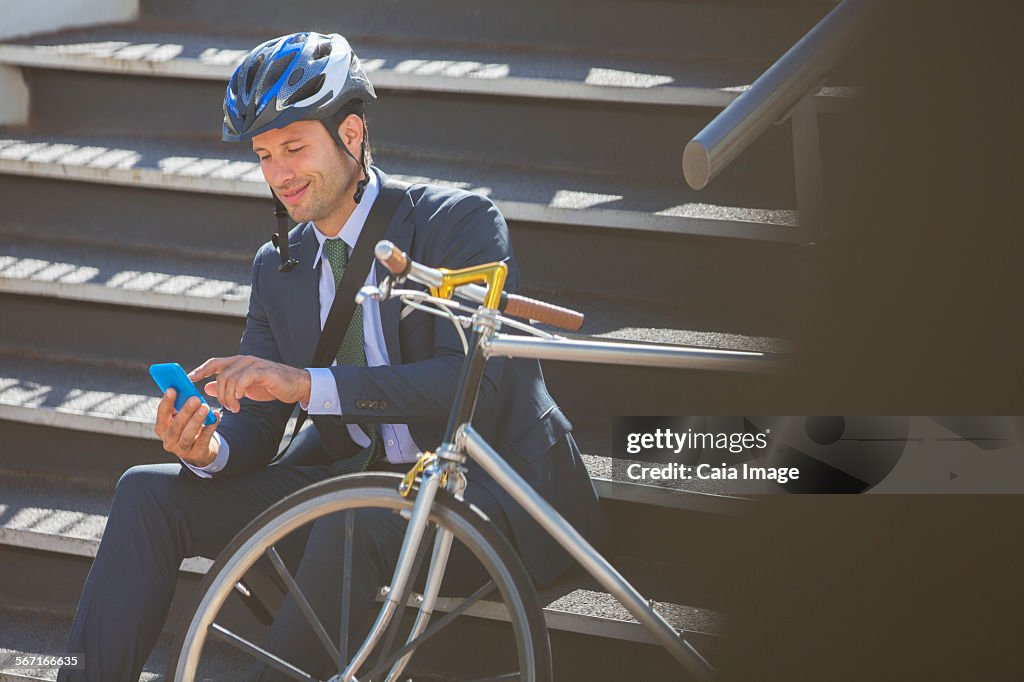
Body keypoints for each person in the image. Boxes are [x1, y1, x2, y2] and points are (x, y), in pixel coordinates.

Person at [58, 31, 605, 681]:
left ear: (350, 134)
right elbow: (257, 425)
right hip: (360, 483)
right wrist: (209, 448)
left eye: (294, 147)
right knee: (147, 495)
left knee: (351, 524)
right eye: (264, 155)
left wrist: (305, 383)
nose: (279, 174)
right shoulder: (279, 268)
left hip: (486, 496)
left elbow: (467, 385)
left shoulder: (456, 223)